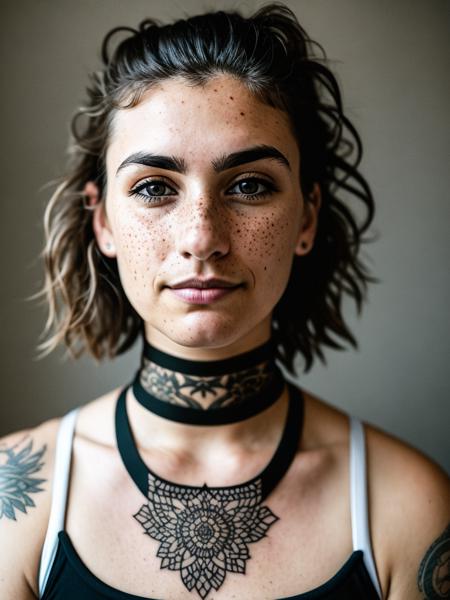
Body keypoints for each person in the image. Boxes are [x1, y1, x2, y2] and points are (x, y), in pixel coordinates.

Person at [0, 4, 448, 599]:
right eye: (154, 188)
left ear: (307, 217)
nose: (202, 238)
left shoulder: (405, 504)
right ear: (103, 220)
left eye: (250, 185)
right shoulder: (18, 499)